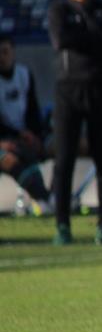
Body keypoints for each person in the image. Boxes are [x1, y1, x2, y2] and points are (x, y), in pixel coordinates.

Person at [48, 0, 102, 245]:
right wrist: (93, 38)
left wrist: (83, 37)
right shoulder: (60, 10)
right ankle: (62, 225)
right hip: (68, 91)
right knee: (64, 159)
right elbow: (61, 41)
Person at [0, 34, 51, 211]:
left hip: (22, 137)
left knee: (60, 146)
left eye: (5, 52)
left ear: (13, 52)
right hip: (5, 141)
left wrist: (34, 134)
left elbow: (33, 111)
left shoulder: (23, 75)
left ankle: (51, 198)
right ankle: (43, 198)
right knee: (11, 160)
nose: (2, 57)